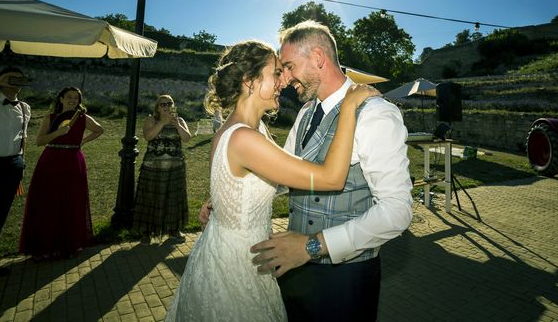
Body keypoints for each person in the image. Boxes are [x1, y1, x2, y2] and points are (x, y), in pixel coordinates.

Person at [166, 40, 378, 322]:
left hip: (235, 248)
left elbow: (251, 180)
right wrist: (349, 107)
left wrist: (221, 201)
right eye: (276, 73)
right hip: (239, 263)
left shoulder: (250, 129)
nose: (284, 81)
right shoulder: (244, 138)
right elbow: (331, 178)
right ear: (250, 80)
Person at [250, 21, 414, 322]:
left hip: (345, 281)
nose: (283, 79)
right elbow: (284, 174)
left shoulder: (376, 113)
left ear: (317, 58)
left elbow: (397, 212)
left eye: (288, 66)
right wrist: (234, 196)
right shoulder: (305, 111)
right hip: (294, 270)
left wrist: (312, 246)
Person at [19, 86, 103, 259]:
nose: (73, 100)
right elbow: (39, 141)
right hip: (51, 160)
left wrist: (82, 142)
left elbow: (99, 130)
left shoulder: (82, 118)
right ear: (61, 99)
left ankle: (68, 244)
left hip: (74, 160)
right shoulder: (50, 117)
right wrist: (58, 132)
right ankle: (45, 246)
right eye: (69, 97)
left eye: (76, 98)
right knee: (48, 200)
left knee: (70, 201)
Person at [0, 67, 31, 276]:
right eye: (12, 79)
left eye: (20, 79)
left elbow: (23, 138)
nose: (17, 83)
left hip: (13, 165)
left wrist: (21, 164)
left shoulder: (25, 108)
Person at [133, 95, 191, 244]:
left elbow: (187, 138)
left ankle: (174, 230)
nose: (166, 106)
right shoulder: (151, 120)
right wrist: (162, 123)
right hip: (153, 168)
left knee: (173, 198)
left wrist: (177, 125)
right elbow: (148, 136)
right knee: (150, 199)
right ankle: (146, 232)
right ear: (157, 107)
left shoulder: (180, 120)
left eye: (169, 103)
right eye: (163, 104)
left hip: (175, 168)